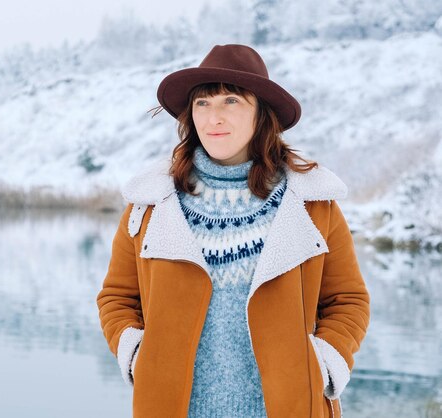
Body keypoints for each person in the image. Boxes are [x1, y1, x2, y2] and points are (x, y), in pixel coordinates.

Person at [95, 44, 370, 418]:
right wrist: (138, 356)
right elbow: (117, 298)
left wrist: (321, 363)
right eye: (203, 104)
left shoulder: (312, 205)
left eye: (231, 101)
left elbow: (348, 301)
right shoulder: (151, 205)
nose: (214, 118)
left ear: (261, 115)